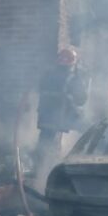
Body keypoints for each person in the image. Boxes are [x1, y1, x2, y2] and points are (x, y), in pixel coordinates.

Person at [36, 47, 89, 185]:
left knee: (48, 144)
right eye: (63, 58)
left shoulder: (66, 76)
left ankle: (46, 171)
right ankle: (46, 173)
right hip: (54, 118)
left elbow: (82, 99)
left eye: (67, 59)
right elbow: (81, 99)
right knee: (48, 146)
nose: (64, 61)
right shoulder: (68, 76)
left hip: (56, 117)